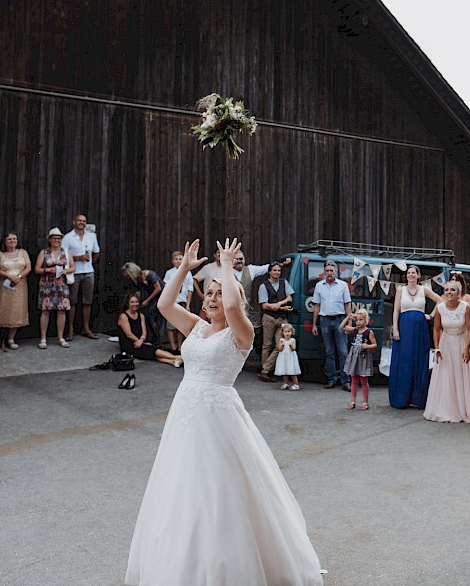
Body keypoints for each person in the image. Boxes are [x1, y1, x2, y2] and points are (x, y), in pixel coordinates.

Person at [125, 238, 323, 585]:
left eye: (218, 294)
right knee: (182, 484)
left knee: (220, 485)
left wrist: (227, 268)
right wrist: (185, 269)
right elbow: (167, 304)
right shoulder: (197, 327)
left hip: (218, 416)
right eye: (210, 294)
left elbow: (234, 305)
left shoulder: (240, 332)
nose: (213, 299)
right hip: (186, 412)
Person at [424, 280, 470, 423]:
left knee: (461, 375)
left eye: (453, 290)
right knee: (446, 376)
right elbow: (436, 329)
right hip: (446, 344)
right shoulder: (440, 308)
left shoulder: (465, 307)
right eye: (447, 290)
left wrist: (467, 348)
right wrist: (437, 348)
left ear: (458, 293)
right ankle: (447, 410)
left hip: (462, 342)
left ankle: (463, 410)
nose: (449, 292)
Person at [388, 265, 441, 408]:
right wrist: (396, 329)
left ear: (418, 276)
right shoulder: (401, 290)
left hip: (420, 328)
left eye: (413, 273)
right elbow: (395, 311)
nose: (411, 275)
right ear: (406, 276)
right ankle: (402, 396)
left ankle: (418, 398)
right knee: (405, 360)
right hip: (404, 327)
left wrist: (431, 315)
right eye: (408, 273)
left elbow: (440, 301)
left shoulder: (424, 290)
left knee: (419, 359)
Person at [0, 231, 31, 353]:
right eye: (10, 239)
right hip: (3, 286)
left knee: (17, 312)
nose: (12, 241)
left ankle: (11, 339)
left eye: (14, 239)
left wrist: (19, 276)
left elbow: (28, 267)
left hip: (20, 286)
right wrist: (9, 276)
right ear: (4, 241)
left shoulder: (23, 252)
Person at [311, 260, 352, 390]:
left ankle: (346, 381)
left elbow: (347, 304)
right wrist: (314, 324)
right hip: (324, 321)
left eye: (331, 271)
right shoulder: (319, 286)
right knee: (329, 352)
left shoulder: (343, 285)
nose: (329, 273)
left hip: (340, 321)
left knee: (343, 352)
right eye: (327, 271)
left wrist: (349, 322)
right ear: (324, 272)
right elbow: (317, 305)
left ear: (336, 272)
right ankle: (331, 379)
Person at [117, 293, 182, 368]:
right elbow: (128, 334)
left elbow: (144, 332)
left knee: (151, 351)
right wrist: (141, 342)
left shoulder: (141, 315)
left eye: (136, 302)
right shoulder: (123, 316)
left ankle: (173, 361)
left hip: (140, 341)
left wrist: (141, 340)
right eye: (132, 302)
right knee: (152, 350)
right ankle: (177, 357)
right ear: (127, 304)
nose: (135, 304)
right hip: (130, 344)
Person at [34, 228, 74, 349]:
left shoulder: (66, 252)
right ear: (50, 240)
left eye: (59, 238)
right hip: (46, 285)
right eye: (54, 238)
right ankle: (43, 338)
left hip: (61, 285)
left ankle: (60, 337)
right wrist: (47, 270)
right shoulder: (44, 252)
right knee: (45, 311)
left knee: (61, 311)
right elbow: (37, 269)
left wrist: (64, 271)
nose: (57, 240)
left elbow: (73, 267)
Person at [62, 214, 100, 340]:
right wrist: (78, 258)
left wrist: (90, 263)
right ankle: (71, 329)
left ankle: (86, 328)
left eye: (84, 221)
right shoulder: (67, 238)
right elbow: (63, 256)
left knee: (87, 301)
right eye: (79, 220)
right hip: (73, 273)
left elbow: (96, 252)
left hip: (88, 272)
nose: (81, 222)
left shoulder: (92, 236)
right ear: (74, 222)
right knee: (72, 302)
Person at [258, 261, 295, 382]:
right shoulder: (263, 286)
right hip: (269, 317)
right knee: (267, 345)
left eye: (279, 270)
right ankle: (266, 372)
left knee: (281, 345)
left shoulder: (284, 283)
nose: (277, 272)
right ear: (269, 272)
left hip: (281, 318)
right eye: (274, 270)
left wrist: (279, 305)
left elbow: (289, 297)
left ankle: (265, 369)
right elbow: (264, 305)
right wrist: (279, 307)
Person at [341, 309, 376, 410]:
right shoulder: (355, 330)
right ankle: (352, 400)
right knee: (354, 379)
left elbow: (375, 344)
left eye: (361, 320)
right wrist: (348, 317)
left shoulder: (369, 332)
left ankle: (365, 401)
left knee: (364, 379)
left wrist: (367, 346)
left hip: (363, 357)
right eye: (357, 320)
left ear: (366, 320)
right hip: (354, 356)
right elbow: (342, 326)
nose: (358, 322)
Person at [122, 262, 165, 343]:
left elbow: (158, 288)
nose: (128, 278)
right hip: (152, 298)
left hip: (162, 297)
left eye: (128, 276)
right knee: (146, 316)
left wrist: (146, 301)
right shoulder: (137, 280)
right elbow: (138, 292)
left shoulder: (150, 275)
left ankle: (157, 342)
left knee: (152, 315)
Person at [162, 251, 194, 353]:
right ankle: (173, 347)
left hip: (182, 301)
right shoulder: (169, 273)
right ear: (173, 261)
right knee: (171, 326)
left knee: (180, 326)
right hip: (172, 302)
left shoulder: (188, 272)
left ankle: (180, 346)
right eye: (176, 259)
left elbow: (190, 289)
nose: (178, 261)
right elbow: (166, 287)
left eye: (180, 259)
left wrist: (188, 304)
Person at [274, 322, 301, 390]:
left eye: (289, 331)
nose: (287, 333)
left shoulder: (292, 340)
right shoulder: (281, 340)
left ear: (292, 332)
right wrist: (282, 345)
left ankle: (296, 384)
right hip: (283, 357)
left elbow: (293, 349)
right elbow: (279, 349)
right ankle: (285, 383)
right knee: (284, 371)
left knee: (292, 371)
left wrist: (290, 345)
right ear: (282, 333)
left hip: (290, 357)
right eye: (285, 332)